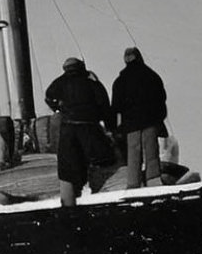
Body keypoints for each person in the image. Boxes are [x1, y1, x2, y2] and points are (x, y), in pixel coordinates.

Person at [44, 57, 116, 207]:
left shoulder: (60, 82)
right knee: (101, 161)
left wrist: (58, 109)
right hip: (89, 128)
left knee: (67, 169)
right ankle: (100, 197)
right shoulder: (91, 82)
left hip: (68, 129)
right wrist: (111, 127)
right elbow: (103, 104)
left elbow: (49, 96)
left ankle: (68, 202)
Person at [111, 46, 168, 189]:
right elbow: (161, 98)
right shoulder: (152, 76)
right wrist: (159, 118)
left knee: (133, 153)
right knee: (151, 152)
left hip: (131, 124)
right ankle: (153, 181)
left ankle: (133, 183)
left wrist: (117, 126)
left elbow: (116, 106)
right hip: (150, 121)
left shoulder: (120, 81)